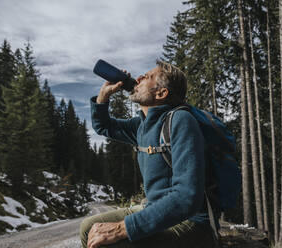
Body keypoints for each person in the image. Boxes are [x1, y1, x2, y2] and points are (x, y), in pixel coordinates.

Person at [80, 60, 218, 248]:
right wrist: (103, 96)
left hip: (191, 221)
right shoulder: (142, 125)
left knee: (110, 244)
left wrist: (122, 228)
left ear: (161, 93)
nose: (139, 77)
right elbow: (104, 126)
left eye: (149, 76)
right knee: (88, 227)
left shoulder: (180, 120)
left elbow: (186, 197)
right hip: (154, 209)